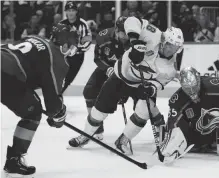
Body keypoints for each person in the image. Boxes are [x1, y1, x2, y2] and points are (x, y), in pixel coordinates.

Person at [68, 16, 184, 155]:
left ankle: (123, 140)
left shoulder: (171, 68)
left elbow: (159, 82)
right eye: (171, 45)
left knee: (145, 111)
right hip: (119, 76)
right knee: (100, 110)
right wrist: (135, 42)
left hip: (140, 84)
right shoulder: (154, 34)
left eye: (177, 47)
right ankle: (86, 135)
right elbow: (132, 20)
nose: (173, 50)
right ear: (164, 40)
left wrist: (151, 88)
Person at [1, 23, 79, 176]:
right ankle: (14, 160)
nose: (73, 47)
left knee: (32, 102)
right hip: (5, 75)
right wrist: (58, 116)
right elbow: (53, 103)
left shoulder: (36, 38)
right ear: (65, 44)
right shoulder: (57, 57)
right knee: (33, 112)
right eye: (72, 43)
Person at [68, 16, 130, 147]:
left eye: (128, 32)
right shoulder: (104, 36)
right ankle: (96, 128)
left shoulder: (134, 39)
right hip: (107, 68)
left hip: (126, 73)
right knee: (89, 91)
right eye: (123, 32)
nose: (125, 36)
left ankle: (129, 135)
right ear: (116, 29)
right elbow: (97, 58)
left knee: (134, 100)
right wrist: (107, 69)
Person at [59, 1, 92, 94]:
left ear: (76, 12)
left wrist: (77, 48)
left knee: (68, 79)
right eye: (68, 10)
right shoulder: (61, 23)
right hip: (63, 56)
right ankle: (56, 96)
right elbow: (54, 40)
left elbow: (88, 41)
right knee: (58, 77)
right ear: (65, 11)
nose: (70, 13)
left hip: (77, 57)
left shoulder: (83, 24)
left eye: (73, 10)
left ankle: (58, 95)